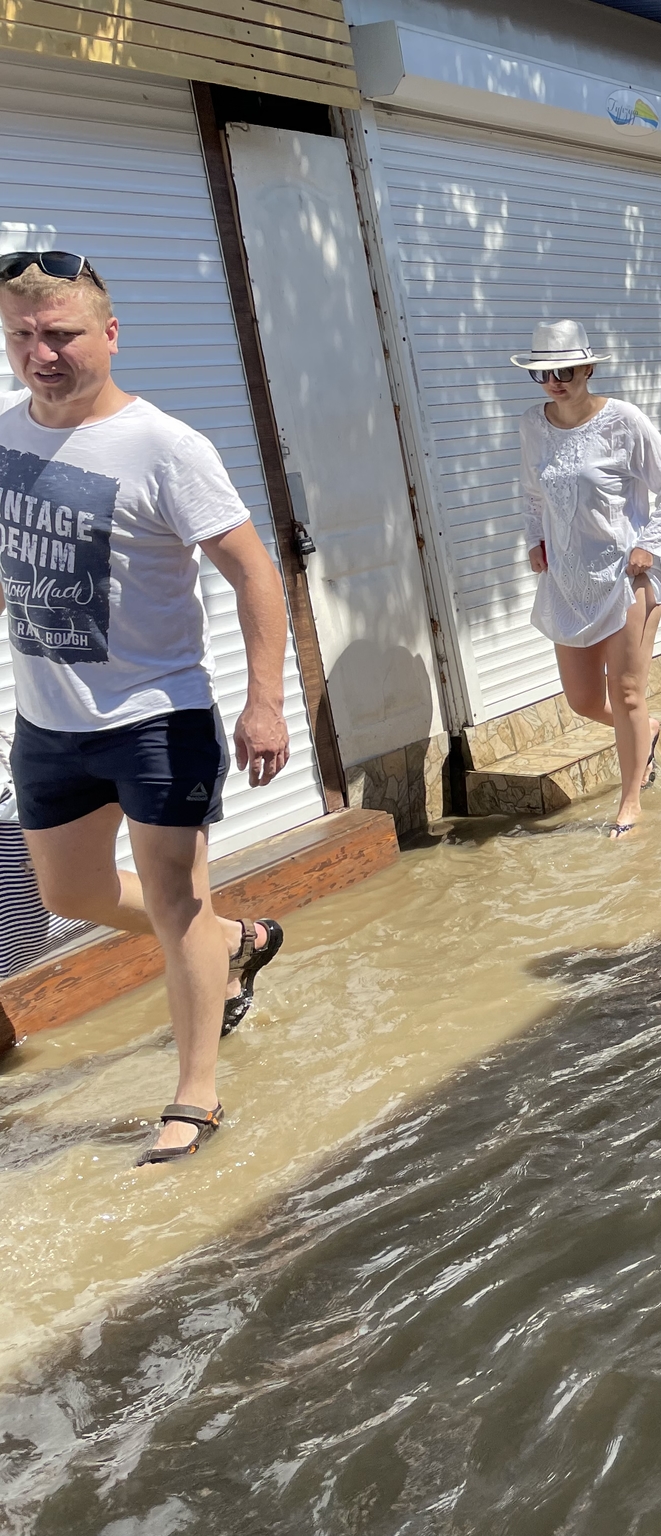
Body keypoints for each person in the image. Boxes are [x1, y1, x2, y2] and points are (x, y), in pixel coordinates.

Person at [0, 251, 292, 1164]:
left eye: (62, 334)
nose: (43, 354)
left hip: (156, 716)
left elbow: (254, 576)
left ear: (110, 335)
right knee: (68, 894)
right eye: (23, 336)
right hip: (50, 720)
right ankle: (235, 942)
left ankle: (195, 1095)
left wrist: (266, 704)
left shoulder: (165, 446)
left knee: (173, 900)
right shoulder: (8, 433)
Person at [517, 320, 661, 840]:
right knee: (584, 701)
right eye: (543, 373)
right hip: (568, 583)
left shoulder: (624, 421)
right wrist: (534, 540)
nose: (554, 382)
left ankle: (629, 803)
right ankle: (647, 734)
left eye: (565, 370)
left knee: (630, 694)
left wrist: (650, 545)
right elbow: (531, 494)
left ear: (588, 367)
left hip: (623, 579)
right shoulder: (532, 425)